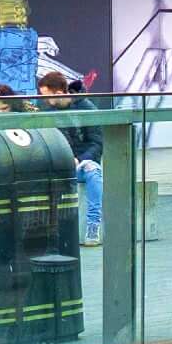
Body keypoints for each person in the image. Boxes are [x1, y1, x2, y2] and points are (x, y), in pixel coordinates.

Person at [37, 63, 105, 246]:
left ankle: (93, 225)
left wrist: (79, 159)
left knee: (93, 171)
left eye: (46, 97)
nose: (44, 101)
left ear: (58, 94)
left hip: (82, 164)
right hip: (58, 164)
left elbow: (97, 143)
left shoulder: (87, 108)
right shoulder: (47, 113)